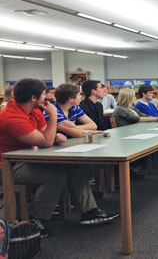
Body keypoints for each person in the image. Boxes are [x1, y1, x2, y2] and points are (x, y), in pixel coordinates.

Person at [0, 78, 118, 237]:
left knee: (76, 167)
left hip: (28, 158)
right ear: (33, 98)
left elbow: (45, 134)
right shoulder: (11, 117)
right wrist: (53, 117)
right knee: (56, 177)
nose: (48, 98)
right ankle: (35, 219)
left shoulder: (34, 111)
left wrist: (55, 136)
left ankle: (89, 211)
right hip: (7, 166)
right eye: (44, 94)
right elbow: (46, 140)